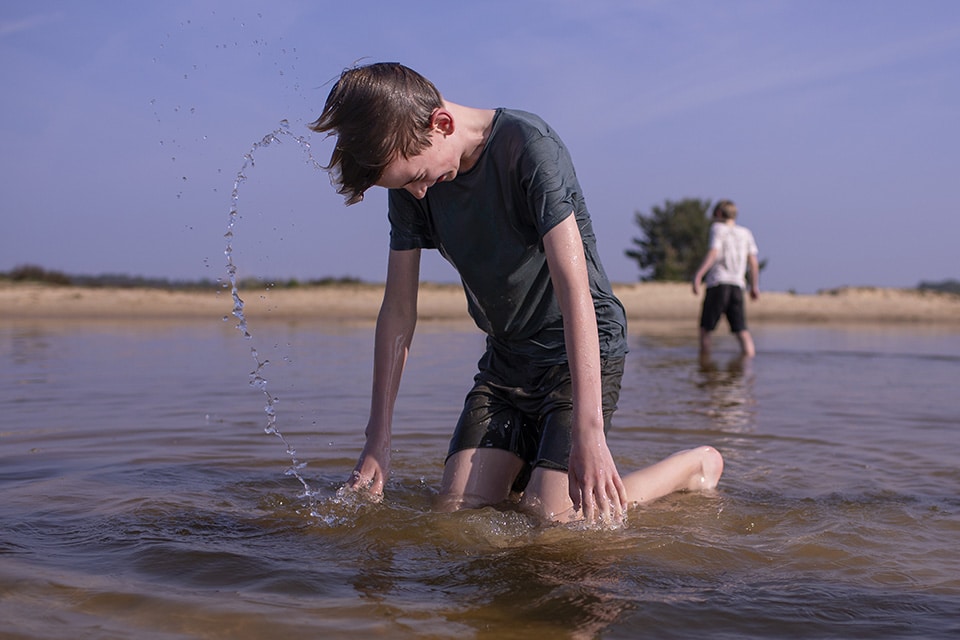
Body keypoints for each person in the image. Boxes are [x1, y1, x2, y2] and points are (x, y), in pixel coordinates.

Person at [310, 62, 722, 524]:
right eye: (405, 185)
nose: (418, 194)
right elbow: (399, 311)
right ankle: (534, 467)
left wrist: (589, 432)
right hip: (506, 360)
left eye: (415, 177)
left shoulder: (527, 147)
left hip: (578, 353)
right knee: (455, 514)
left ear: (441, 124)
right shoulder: (409, 182)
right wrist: (377, 440)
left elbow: (575, 291)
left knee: (556, 521)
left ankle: (691, 467)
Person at [692, 200, 760, 357]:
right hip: (738, 285)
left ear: (718, 214)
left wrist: (698, 275)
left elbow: (714, 253)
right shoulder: (746, 233)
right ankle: (748, 367)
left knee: (705, 329)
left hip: (718, 283)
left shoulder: (717, 229)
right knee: (741, 330)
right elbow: (754, 263)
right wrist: (754, 286)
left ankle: (705, 365)